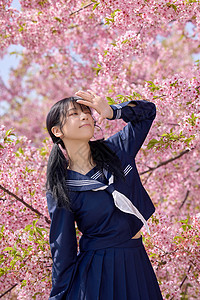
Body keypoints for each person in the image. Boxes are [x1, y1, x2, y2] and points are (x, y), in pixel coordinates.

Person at [45, 90, 163, 300]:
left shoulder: (116, 150)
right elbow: (62, 248)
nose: (85, 116)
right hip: (97, 273)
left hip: (136, 261)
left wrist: (113, 111)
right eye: (74, 114)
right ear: (57, 131)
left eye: (86, 112)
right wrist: (58, 296)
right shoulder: (63, 187)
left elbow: (148, 112)